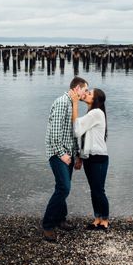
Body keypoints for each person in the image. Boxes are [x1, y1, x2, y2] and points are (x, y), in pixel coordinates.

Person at [41, 76, 88, 243]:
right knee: (64, 188)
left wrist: (76, 155)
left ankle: (60, 219)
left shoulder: (72, 104)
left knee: (61, 186)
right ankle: (47, 225)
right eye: (84, 90)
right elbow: (54, 133)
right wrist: (62, 154)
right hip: (57, 153)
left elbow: (72, 133)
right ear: (76, 88)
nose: (85, 94)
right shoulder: (62, 102)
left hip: (68, 153)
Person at [73, 88, 109, 231]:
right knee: (94, 189)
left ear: (95, 100)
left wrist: (75, 103)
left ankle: (105, 219)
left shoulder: (96, 113)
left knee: (99, 190)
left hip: (99, 157)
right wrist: (81, 157)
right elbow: (84, 138)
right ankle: (97, 218)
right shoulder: (91, 113)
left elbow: (77, 130)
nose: (86, 94)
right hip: (89, 157)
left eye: (89, 93)